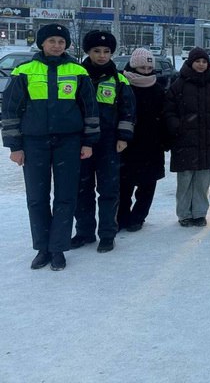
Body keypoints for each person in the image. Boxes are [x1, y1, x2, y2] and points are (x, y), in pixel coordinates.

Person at [2, 24, 99, 271]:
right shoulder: (24, 71)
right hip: (34, 143)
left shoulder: (78, 71)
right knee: (37, 198)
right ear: (42, 43)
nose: (57, 45)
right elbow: (10, 110)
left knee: (66, 197)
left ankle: (58, 249)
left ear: (67, 45)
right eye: (52, 41)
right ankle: (42, 248)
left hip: (69, 142)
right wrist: (14, 145)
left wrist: (88, 142)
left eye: (61, 41)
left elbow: (90, 109)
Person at [72, 31, 136, 254]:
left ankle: (107, 234)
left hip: (109, 143)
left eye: (106, 51)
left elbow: (128, 112)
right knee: (82, 190)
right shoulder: (77, 76)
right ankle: (84, 232)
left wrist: (123, 137)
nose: (101, 56)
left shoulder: (119, 79)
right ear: (88, 52)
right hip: (82, 143)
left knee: (108, 190)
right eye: (96, 51)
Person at [164, 48, 210, 226]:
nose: (201, 65)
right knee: (185, 180)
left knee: (203, 181)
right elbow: (169, 110)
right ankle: (184, 214)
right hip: (185, 141)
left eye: (204, 62)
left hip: (209, 141)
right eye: (197, 61)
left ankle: (200, 213)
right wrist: (176, 126)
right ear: (190, 63)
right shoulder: (179, 85)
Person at [118, 47, 167, 232]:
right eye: (141, 68)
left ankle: (138, 217)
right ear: (133, 66)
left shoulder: (158, 88)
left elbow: (164, 115)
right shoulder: (123, 85)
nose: (146, 71)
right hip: (128, 143)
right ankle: (121, 216)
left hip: (152, 143)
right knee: (125, 184)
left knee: (148, 184)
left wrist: (165, 138)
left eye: (148, 68)